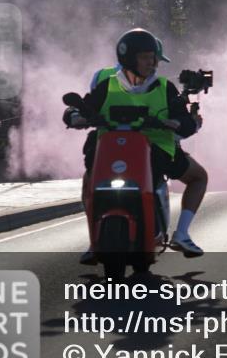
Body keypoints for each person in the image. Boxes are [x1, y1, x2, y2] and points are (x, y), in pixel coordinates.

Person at [66, 28, 208, 259]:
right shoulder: (107, 85)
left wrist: (176, 123)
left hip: (157, 153)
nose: (151, 63)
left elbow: (185, 121)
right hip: (110, 152)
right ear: (128, 58)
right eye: (145, 57)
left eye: (152, 58)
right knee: (88, 181)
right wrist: (74, 115)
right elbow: (86, 106)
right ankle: (95, 241)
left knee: (200, 176)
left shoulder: (165, 87)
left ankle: (181, 233)